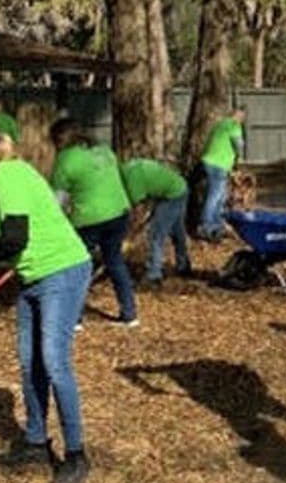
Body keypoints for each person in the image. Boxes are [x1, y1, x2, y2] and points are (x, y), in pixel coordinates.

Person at [0, 118, 93, 483]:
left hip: (62, 270)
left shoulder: (8, 177)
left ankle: (77, 454)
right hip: (33, 276)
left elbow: (13, 239)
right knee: (30, 361)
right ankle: (35, 442)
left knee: (53, 361)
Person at [49, 118, 138, 327]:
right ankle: (130, 313)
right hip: (119, 212)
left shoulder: (65, 159)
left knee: (78, 266)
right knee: (115, 262)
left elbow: (58, 200)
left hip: (89, 219)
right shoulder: (105, 150)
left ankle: (75, 317)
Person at [120, 156, 192, 284]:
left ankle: (154, 274)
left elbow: (138, 213)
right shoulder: (127, 170)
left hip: (172, 195)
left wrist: (128, 237)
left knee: (156, 234)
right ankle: (183, 265)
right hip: (180, 187)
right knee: (177, 231)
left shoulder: (132, 181)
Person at [197, 108, 246, 240]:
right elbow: (239, 145)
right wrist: (240, 159)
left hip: (208, 161)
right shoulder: (234, 125)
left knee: (221, 196)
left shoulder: (220, 124)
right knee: (215, 195)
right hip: (219, 164)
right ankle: (206, 226)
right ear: (239, 117)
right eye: (242, 118)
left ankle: (218, 225)